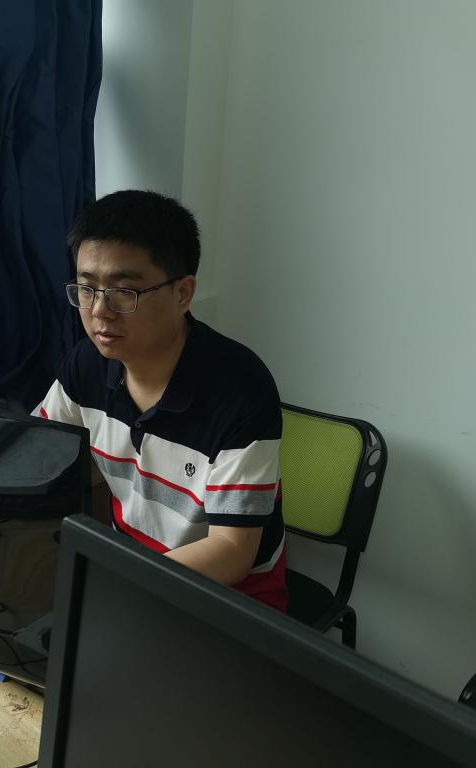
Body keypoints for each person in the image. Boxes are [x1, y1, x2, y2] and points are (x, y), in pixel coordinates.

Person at [35, 190, 287, 611]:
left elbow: (232, 550)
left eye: (123, 291)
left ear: (183, 293)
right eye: (87, 288)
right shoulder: (88, 364)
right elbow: (39, 448)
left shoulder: (241, 390)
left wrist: (120, 586)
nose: (99, 311)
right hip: (132, 569)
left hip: (230, 596)